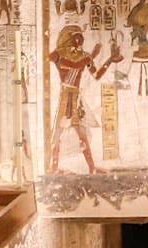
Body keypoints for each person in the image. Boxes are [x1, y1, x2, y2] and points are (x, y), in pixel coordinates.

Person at [49, 25, 122, 173]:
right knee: (57, 133)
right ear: (68, 39)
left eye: (81, 38)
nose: (79, 41)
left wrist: (109, 60)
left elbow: (96, 75)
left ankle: (92, 168)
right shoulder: (58, 54)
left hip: (76, 99)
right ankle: (53, 167)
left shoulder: (84, 56)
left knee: (82, 135)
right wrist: (90, 56)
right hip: (65, 98)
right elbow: (73, 64)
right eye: (76, 38)